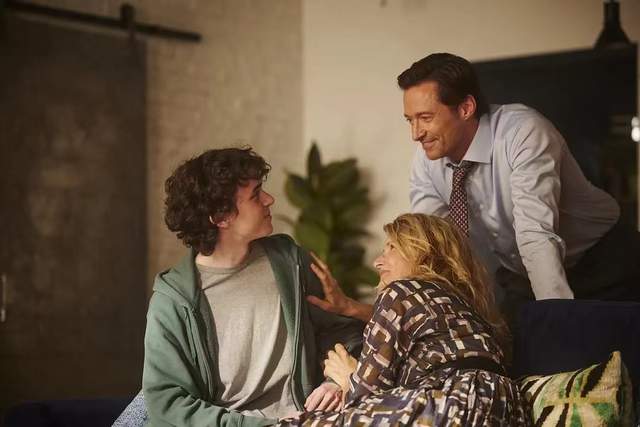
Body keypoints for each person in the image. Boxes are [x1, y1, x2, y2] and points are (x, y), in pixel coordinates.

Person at [397, 52, 640, 323]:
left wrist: (559, 321)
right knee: (507, 342)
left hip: (605, 261)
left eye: (425, 117)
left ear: (465, 108)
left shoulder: (523, 132)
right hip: (521, 274)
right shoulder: (427, 160)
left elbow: (535, 234)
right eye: (410, 120)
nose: (416, 133)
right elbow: (432, 243)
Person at [140, 147, 365, 427]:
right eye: (256, 195)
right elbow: (167, 402)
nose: (270, 199)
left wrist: (334, 381)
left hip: (308, 419)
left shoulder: (290, 262)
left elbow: (341, 331)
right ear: (221, 218)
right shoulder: (173, 301)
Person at [279, 213, 530, 426]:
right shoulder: (464, 306)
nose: (378, 262)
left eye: (392, 248)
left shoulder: (399, 292)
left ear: (424, 253)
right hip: (503, 407)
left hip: (451, 404)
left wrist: (348, 377)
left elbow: (364, 398)